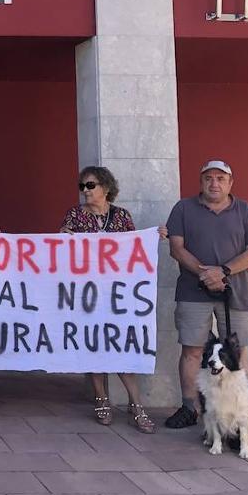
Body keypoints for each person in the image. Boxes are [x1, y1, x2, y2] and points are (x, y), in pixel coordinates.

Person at [163, 159, 248, 430]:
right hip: (192, 292)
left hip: (236, 293)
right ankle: (190, 408)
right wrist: (205, 274)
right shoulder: (183, 208)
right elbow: (176, 248)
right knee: (192, 350)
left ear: (230, 183)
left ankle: (240, 409)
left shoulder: (245, 210)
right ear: (201, 181)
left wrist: (222, 271)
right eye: (208, 178)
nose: (214, 183)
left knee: (237, 351)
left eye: (220, 178)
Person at [59, 166, 156, 434]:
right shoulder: (75, 215)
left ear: (106, 188)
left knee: (122, 345)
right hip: (86, 293)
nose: (85, 191)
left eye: (90, 186)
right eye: (82, 187)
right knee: (93, 345)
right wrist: (63, 239)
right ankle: (101, 398)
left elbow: (133, 247)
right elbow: (60, 249)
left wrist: (151, 238)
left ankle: (136, 405)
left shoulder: (122, 216)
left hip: (117, 293)